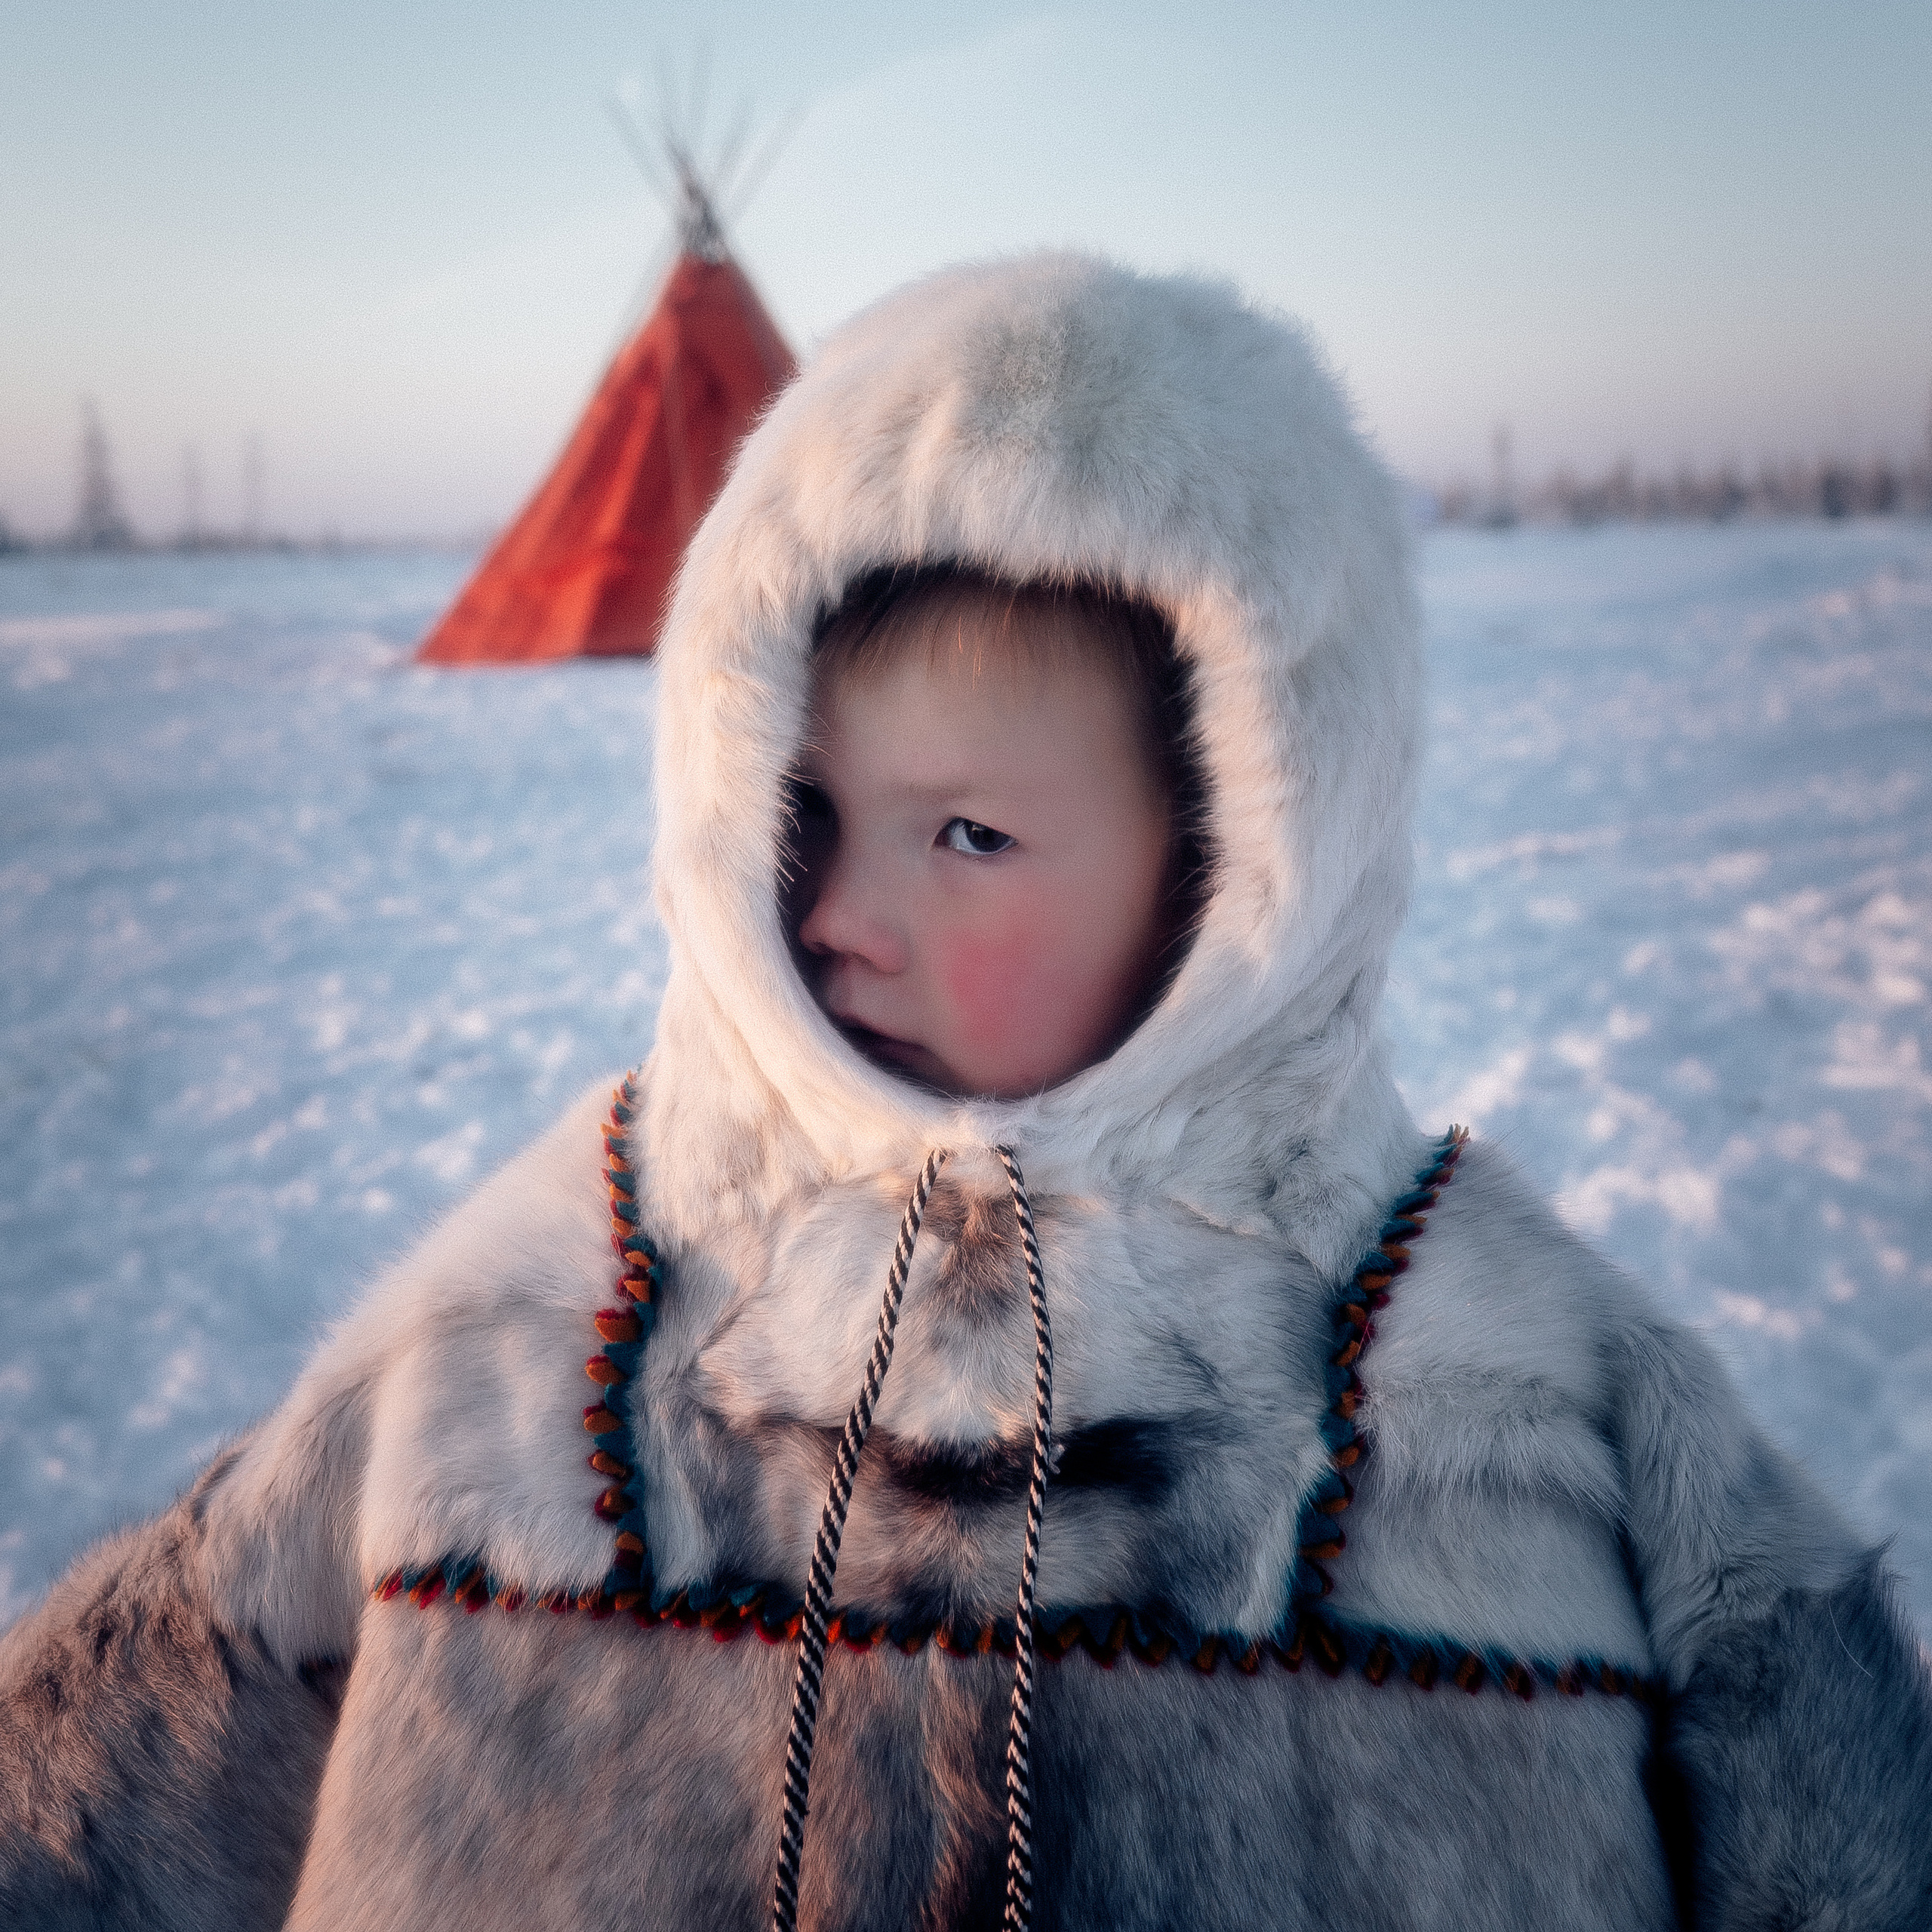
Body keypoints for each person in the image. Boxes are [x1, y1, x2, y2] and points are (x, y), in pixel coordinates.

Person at [3, 254, 1929, 1931]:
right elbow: (117, 1760)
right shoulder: (546, 1315)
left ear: (1234, 868)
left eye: (969, 834)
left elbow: (1834, 1810)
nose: (837, 916)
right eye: (809, 812)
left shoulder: (1513, 1378)